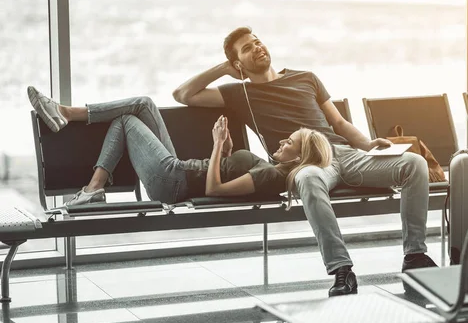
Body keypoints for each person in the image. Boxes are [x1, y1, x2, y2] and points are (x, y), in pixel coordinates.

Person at [172, 26, 439, 297]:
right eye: (247, 48)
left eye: (258, 41)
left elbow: (338, 122)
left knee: (414, 163)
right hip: (304, 164)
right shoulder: (238, 93)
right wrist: (224, 69)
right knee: (308, 179)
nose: (258, 48)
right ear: (238, 63)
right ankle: (342, 269)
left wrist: (368, 144)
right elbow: (183, 94)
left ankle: (415, 255)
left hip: (344, 154)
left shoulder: (306, 78)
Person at [27, 87, 332, 206]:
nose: (282, 141)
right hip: (179, 171)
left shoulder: (272, 176)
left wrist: (214, 147)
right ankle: (65, 112)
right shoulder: (270, 170)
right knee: (142, 103)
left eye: (290, 142)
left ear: (300, 157)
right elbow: (225, 175)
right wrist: (225, 149)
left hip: (173, 182)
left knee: (125, 122)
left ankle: (93, 189)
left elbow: (214, 189)